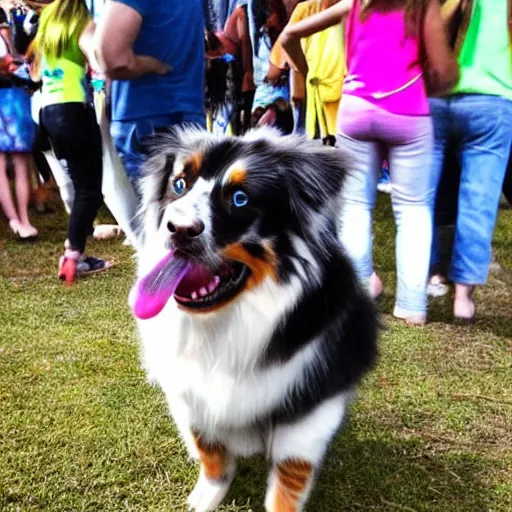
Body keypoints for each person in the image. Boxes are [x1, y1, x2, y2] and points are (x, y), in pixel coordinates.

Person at [281, 0, 459, 325]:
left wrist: (304, 72)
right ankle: (410, 305)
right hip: (408, 112)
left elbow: (289, 35)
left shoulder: (354, 4)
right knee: (413, 208)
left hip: (356, 111)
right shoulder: (421, 6)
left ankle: (361, 288)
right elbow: (444, 70)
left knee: (355, 206)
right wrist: (438, 83)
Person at [429, 0, 512, 320]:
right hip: (493, 100)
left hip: (437, 94)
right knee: (479, 199)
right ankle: (463, 297)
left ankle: (432, 273)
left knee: (427, 192)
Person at [33, 0, 108, 283]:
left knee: (81, 185)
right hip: (73, 109)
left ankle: (78, 252)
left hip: (48, 110)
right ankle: (73, 256)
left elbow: (36, 72)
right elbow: (99, 60)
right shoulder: (82, 23)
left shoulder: (48, 22)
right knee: (90, 190)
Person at [95, 0, 206, 191]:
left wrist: (152, 65)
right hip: (186, 113)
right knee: (185, 210)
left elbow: (114, 59)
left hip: (147, 117)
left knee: (157, 214)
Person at [0, 7, 38, 240]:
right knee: (7, 164)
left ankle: (21, 218)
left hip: (13, 98)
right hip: (11, 98)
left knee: (20, 161)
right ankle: (16, 218)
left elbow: (13, 58)